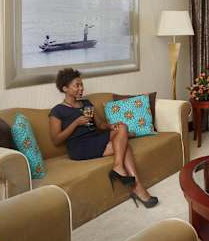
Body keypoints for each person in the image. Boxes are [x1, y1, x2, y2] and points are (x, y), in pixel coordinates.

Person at [48, 68, 158, 208]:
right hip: (79, 147)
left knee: (122, 127)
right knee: (124, 145)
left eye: (82, 84)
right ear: (65, 88)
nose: (81, 88)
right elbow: (56, 140)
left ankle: (120, 169)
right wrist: (76, 123)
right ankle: (137, 187)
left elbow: (100, 124)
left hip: (96, 137)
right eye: (77, 85)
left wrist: (110, 126)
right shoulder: (58, 110)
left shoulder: (86, 103)